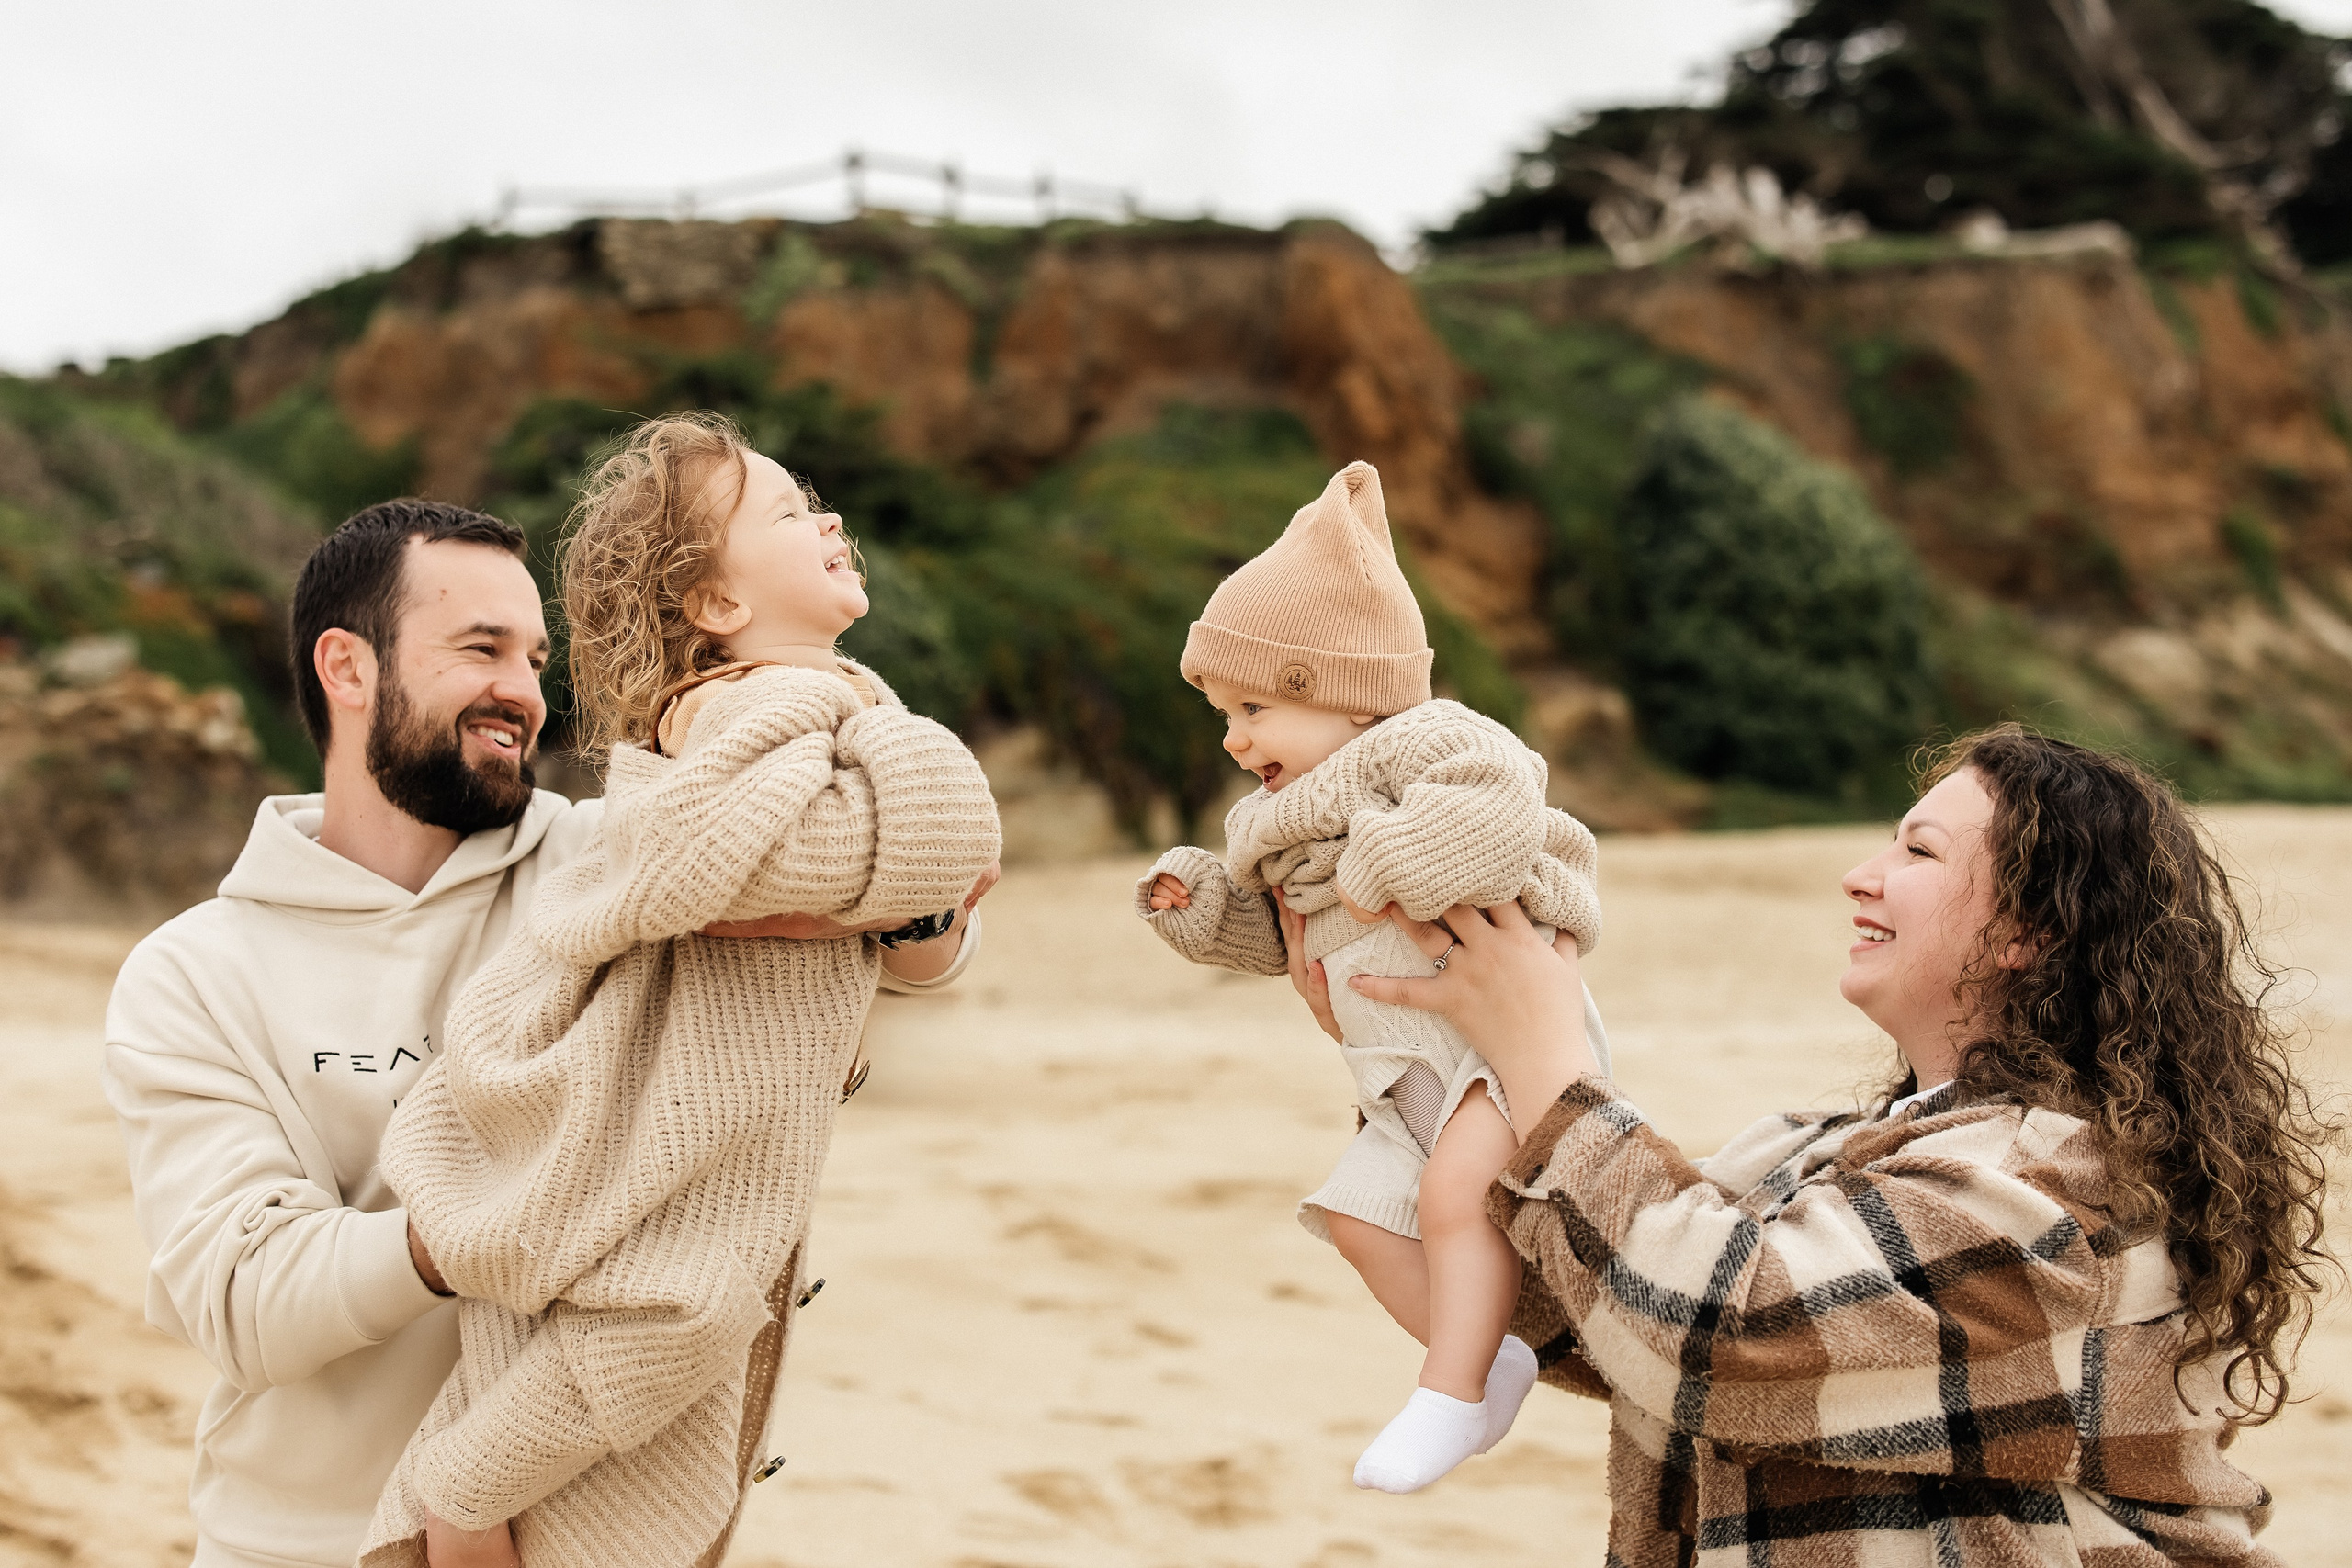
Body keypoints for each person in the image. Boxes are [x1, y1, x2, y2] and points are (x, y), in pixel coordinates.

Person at [103, 495, 988, 1568]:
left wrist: (913, 907)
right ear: (347, 667)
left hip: (606, 1529)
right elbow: (247, 1301)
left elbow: (925, 945)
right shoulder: (196, 973)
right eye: (480, 650)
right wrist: (508, 1216)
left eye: (532, 658)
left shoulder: (612, 860)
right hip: (305, 1546)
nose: (520, 692)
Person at [1305, 725, 2328, 1563]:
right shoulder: (1810, 1154)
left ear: (2033, 933)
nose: (1861, 875)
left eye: (1918, 853)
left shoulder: (2060, 1189)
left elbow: (1712, 1332)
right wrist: (1430, 1070)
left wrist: (1544, 1054)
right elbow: (1583, 1311)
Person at [359, 412, 1001, 1568]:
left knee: (671, 1418)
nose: (828, 517)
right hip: (686, 1165)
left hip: (731, 1150)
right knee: (667, 1333)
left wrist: (910, 892)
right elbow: (740, 855)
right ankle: (455, 1502)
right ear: (715, 606)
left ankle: (472, 1505)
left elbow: (919, 922)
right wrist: (912, 822)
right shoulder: (740, 708)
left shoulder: (840, 708)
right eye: (788, 509)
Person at [1135, 460, 1611, 1493]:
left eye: (1253, 704)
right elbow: (1283, 939)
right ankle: (1491, 1365)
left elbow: (1496, 810)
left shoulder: (1427, 742)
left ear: (1336, 689)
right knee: (1356, 1217)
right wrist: (1201, 907)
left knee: (1451, 1199)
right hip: (1397, 1077)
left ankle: (1443, 1398)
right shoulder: (1270, 821)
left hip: (1501, 1047)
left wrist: (1385, 862)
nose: (1234, 737)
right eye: (1222, 713)